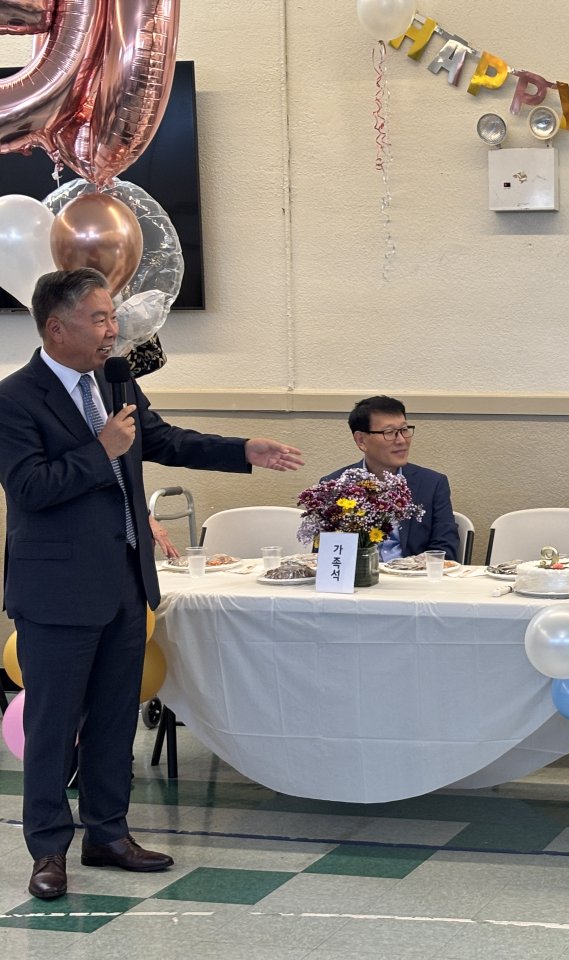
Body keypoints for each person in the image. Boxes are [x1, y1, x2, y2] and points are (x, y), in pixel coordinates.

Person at [0, 268, 305, 901]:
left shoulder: (114, 380)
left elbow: (162, 438)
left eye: (113, 317)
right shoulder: (15, 398)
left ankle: (108, 834)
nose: (113, 331)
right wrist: (102, 450)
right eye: (99, 319)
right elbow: (30, 488)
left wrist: (241, 450)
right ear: (56, 328)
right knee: (53, 725)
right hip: (57, 591)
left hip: (124, 580)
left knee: (116, 716)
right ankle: (48, 850)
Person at [321, 395, 459, 562]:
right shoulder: (335, 485)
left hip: (412, 575)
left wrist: (409, 568)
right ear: (361, 440)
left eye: (404, 430)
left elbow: (445, 549)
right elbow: (325, 554)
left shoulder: (432, 484)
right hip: (359, 575)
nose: (401, 440)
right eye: (390, 433)